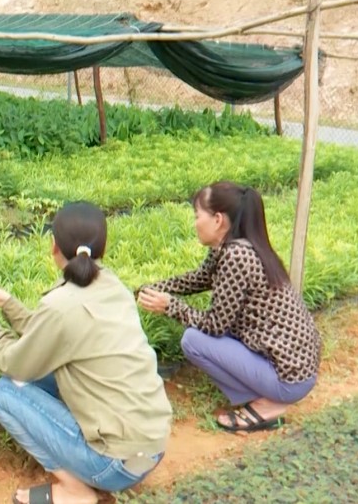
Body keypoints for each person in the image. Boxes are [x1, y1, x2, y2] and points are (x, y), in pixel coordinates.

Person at [0, 202, 172, 504]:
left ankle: (75, 490)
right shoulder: (113, 286)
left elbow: (12, 363)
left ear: (53, 246)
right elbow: (52, 337)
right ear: (102, 249)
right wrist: (8, 302)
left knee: (5, 392)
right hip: (153, 446)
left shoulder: (62, 304)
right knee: (50, 372)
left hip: (113, 465)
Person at [137, 181, 322, 433]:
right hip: (296, 368)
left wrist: (171, 306)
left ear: (217, 220)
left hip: (289, 379)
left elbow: (215, 326)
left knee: (193, 340)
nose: (194, 223)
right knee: (199, 336)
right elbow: (200, 278)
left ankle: (267, 404)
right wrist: (153, 287)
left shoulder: (237, 256)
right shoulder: (235, 246)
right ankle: (264, 395)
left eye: (197, 215)